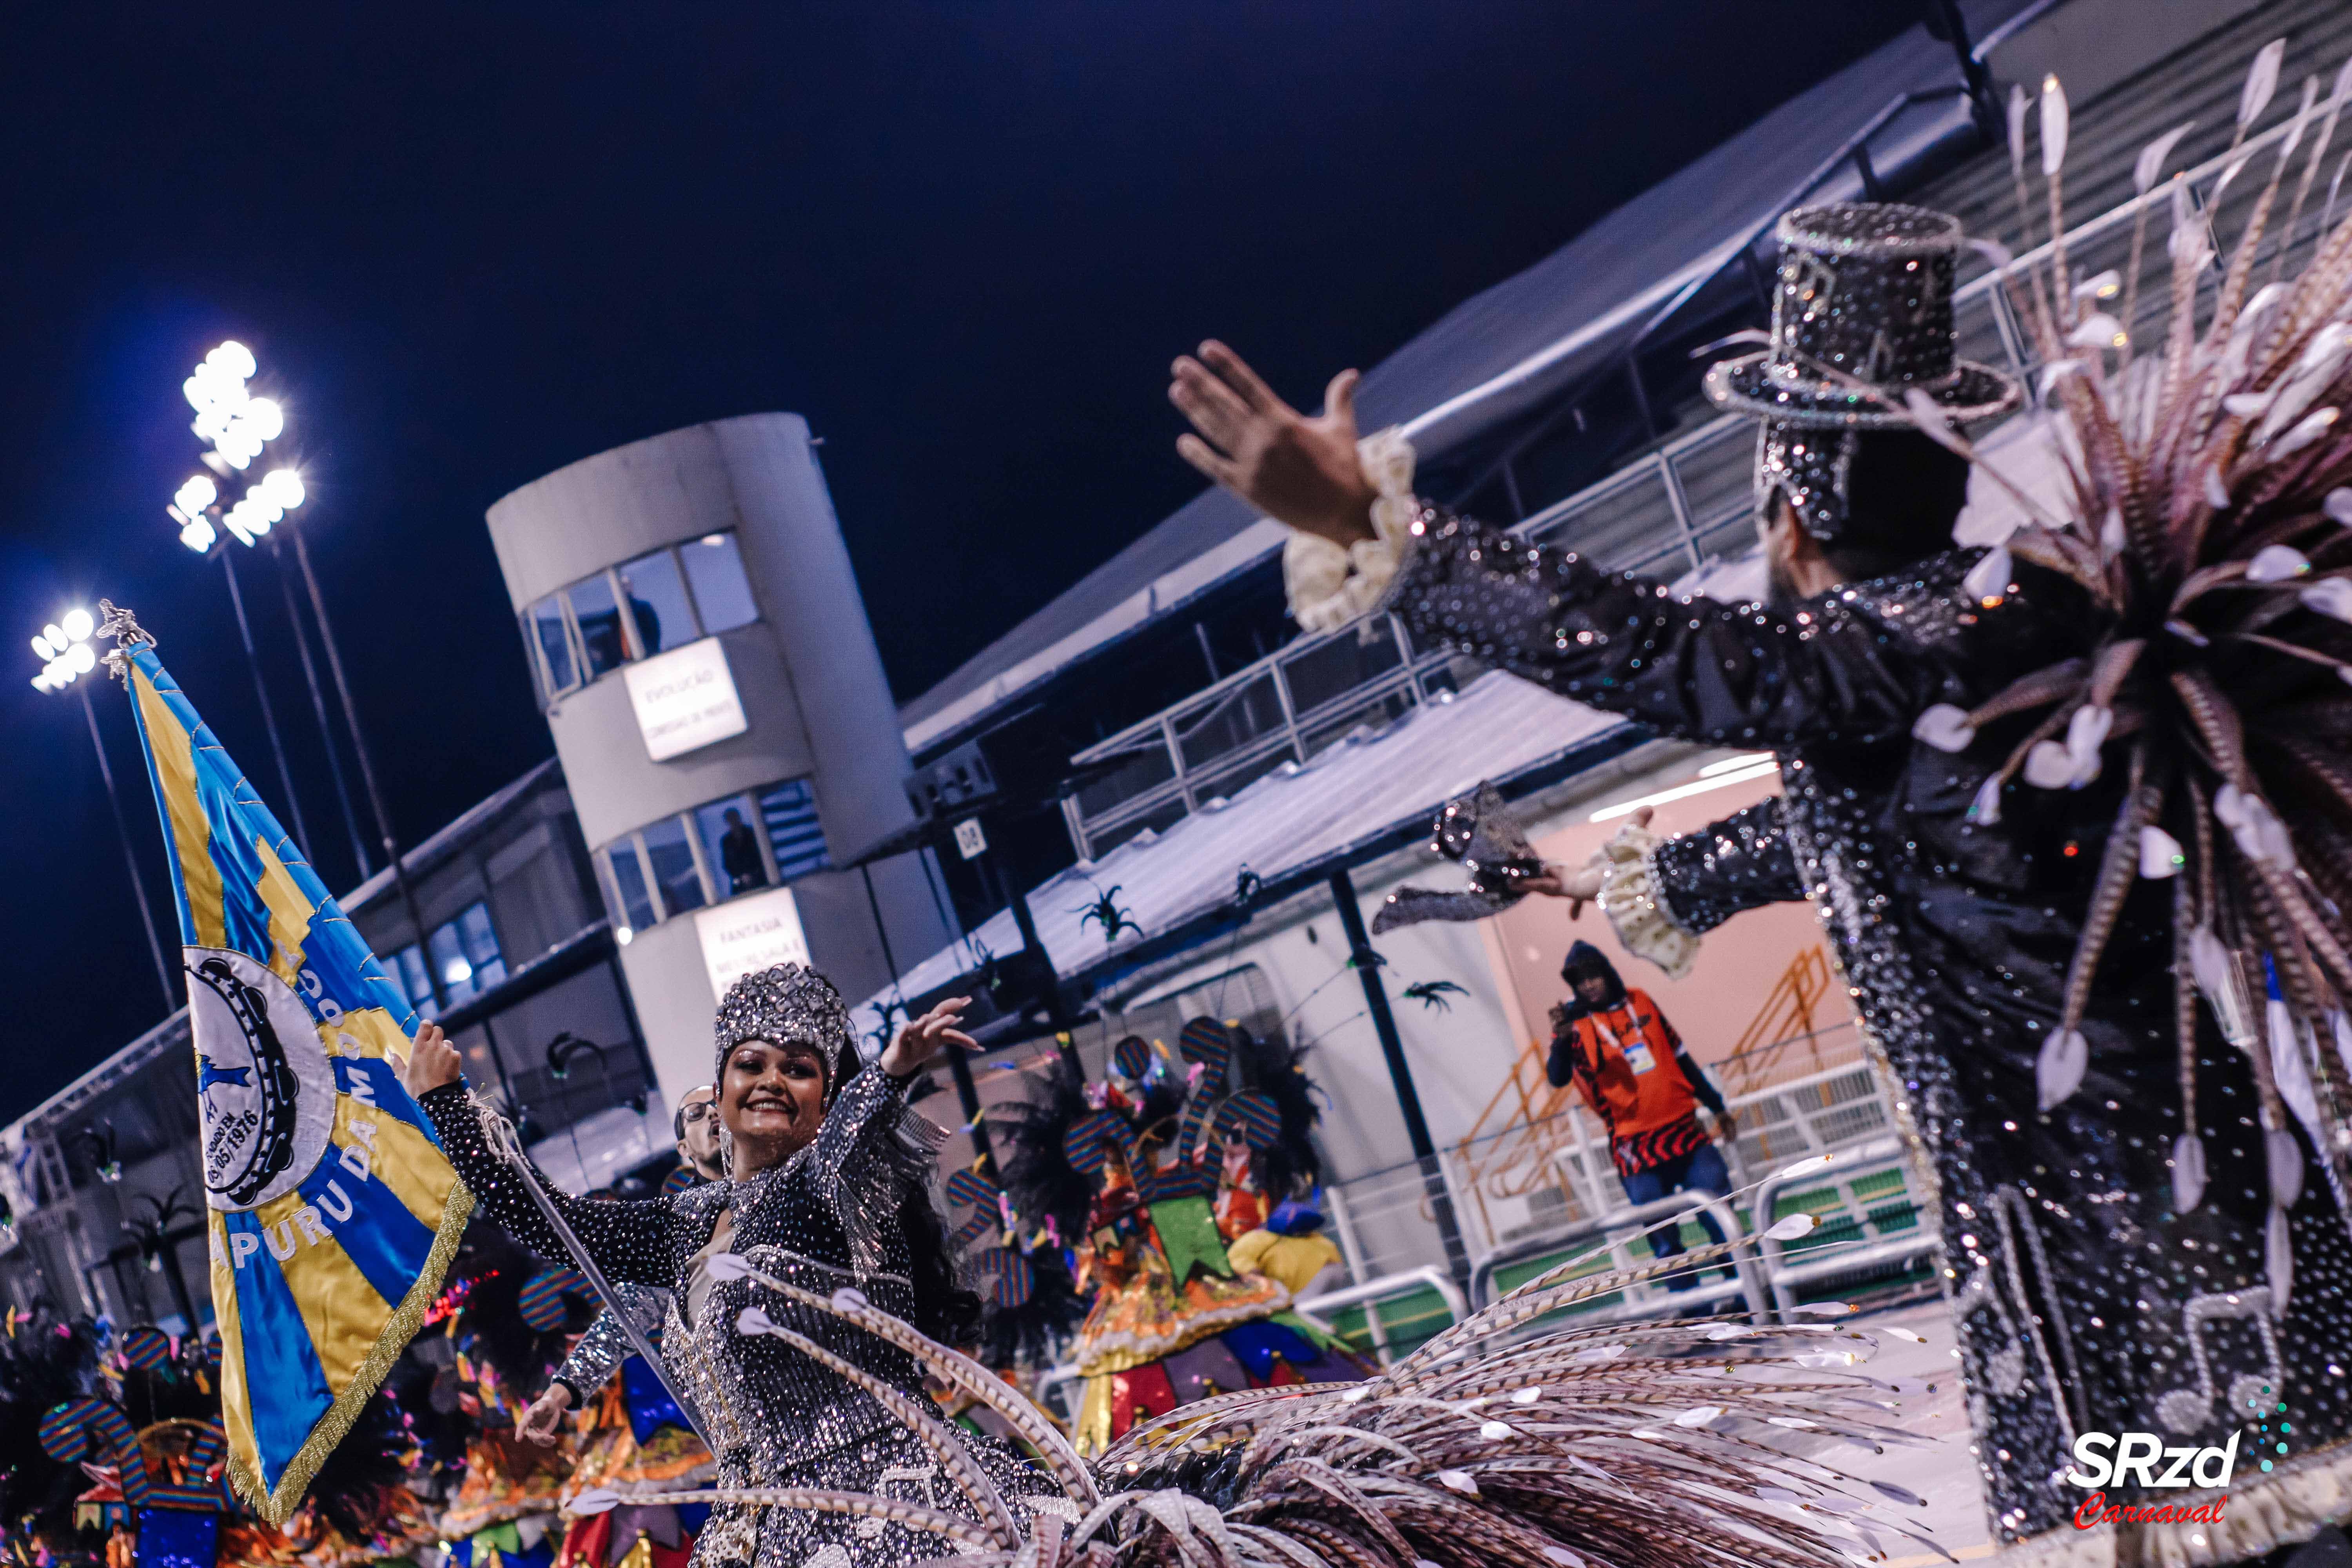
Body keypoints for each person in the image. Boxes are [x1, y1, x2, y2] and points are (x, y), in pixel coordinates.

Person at [1165, 200, 2352, 1565]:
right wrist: (1638, 879)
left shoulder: (1896, 649)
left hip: (2150, 1281)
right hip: (2152, 1256)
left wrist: (1389, 527)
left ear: (1793, 520)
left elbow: (1670, 653)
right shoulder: (2012, 645)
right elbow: (1869, 842)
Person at [403, 964, 1062, 1568]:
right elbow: (559, 1227)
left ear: (827, 1104)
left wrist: (888, 1073)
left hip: (896, 1515)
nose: (772, 1080)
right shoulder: (686, 1222)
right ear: (720, 1096)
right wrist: (447, 1108)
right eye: (752, 1064)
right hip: (757, 1529)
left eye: (799, 1069)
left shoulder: (832, 1190)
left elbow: (844, 1151)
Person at [517, 1084, 730, 1446]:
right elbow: (621, 1322)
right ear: (684, 1149)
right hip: (753, 1442)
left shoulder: (792, 1186)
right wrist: (559, 1393)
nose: (712, 1113)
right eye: (696, 1113)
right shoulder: (673, 1228)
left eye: (720, 1105)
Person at [1546, 940, 1736, 1300]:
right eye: (1580, 981)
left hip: (1685, 1132)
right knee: (1664, 1242)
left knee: (1723, 1220)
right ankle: (1693, 1317)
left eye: (1593, 976)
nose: (1589, 985)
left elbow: (1682, 1058)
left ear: (1607, 973)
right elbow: (1556, 1078)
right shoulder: (1574, 1024)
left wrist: (1717, 1106)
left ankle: (1752, 1303)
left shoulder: (1640, 1001)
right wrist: (1560, 1041)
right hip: (1636, 1149)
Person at [717, 810, 767, 895]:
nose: (733, 822)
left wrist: (752, 873)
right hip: (739, 880)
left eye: (734, 818)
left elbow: (762, 855)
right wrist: (741, 875)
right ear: (727, 822)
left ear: (739, 818)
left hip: (759, 876)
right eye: (730, 820)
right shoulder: (726, 841)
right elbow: (727, 864)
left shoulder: (752, 833)